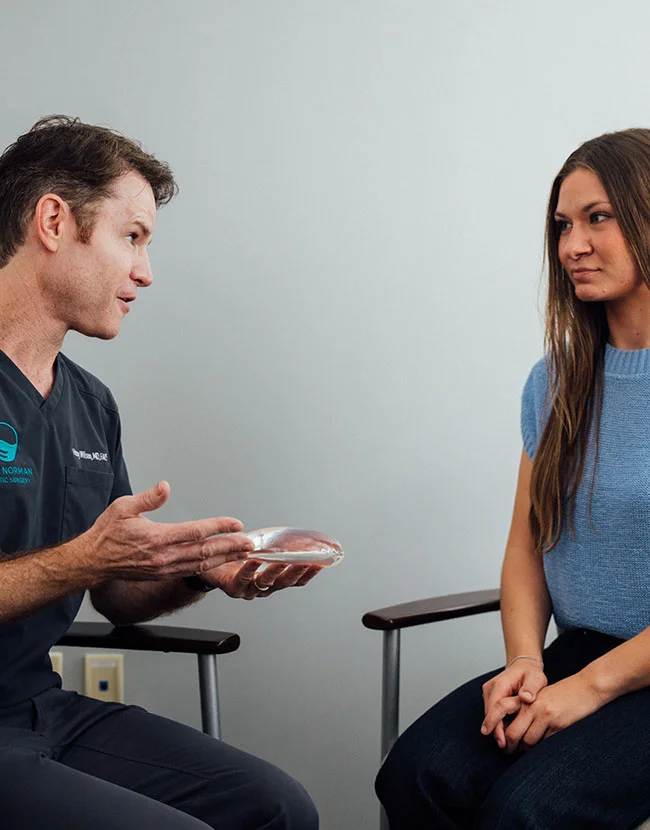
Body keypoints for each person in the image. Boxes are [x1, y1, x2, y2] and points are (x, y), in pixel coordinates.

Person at [0, 115, 321, 830]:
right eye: (132, 236)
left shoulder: (88, 402)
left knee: (280, 810)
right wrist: (79, 559)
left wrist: (200, 568)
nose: (145, 271)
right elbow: (84, 563)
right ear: (55, 220)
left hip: (40, 707)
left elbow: (114, 591)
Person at [375, 128, 650, 829]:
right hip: (580, 654)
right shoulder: (554, 382)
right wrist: (526, 661)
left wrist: (585, 691)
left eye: (598, 218)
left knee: (527, 812)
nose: (571, 246)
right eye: (563, 225)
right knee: (416, 774)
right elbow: (530, 544)